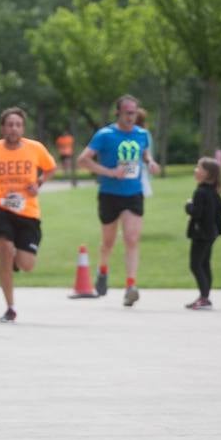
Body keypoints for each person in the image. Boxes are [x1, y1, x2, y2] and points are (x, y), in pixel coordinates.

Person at [0, 107, 57, 323]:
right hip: (0, 209)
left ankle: (16, 257)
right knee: (4, 250)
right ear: (3, 128)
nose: (14, 128)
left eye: (18, 125)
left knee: (27, 264)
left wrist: (39, 182)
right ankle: (10, 307)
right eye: (10, 124)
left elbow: (50, 168)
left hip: (28, 212)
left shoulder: (35, 149)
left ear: (22, 128)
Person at [77, 94, 161, 306]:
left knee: (132, 238)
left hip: (133, 193)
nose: (131, 117)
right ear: (119, 113)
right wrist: (109, 172)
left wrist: (150, 162)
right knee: (108, 242)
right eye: (127, 113)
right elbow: (83, 160)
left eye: (134, 113)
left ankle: (130, 286)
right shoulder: (105, 135)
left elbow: (144, 153)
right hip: (109, 194)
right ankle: (102, 270)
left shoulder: (142, 134)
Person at [185, 157, 221, 310]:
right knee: (204, 263)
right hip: (211, 233)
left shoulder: (200, 192)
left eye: (199, 168)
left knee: (195, 264)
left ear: (207, 174)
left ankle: (204, 298)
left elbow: (196, 213)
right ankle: (205, 297)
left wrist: (189, 205)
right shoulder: (212, 192)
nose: (195, 170)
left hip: (201, 234)